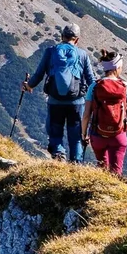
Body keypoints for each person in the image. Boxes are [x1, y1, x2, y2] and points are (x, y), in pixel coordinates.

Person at [22, 24, 93, 161]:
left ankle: (59, 153)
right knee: (76, 136)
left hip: (55, 101)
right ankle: (76, 164)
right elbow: (91, 80)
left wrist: (28, 85)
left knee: (55, 133)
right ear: (77, 39)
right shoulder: (82, 55)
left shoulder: (51, 51)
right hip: (77, 103)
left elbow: (39, 74)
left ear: (62, 37)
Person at [85, 50, 127, 175]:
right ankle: (112, 191)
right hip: (118, 135)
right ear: (117, 67)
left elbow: (86, 114)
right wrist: (123, 115)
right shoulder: (126, 86)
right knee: (116, 170)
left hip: (97, 134)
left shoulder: (94, 86)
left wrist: (84, 134)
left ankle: (100, 190)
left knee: (102, 167)